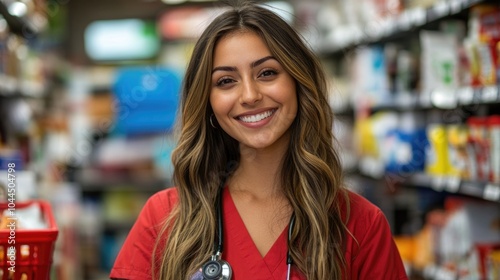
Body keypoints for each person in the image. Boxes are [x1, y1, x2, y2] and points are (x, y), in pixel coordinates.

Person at [110, 2, 408, 280]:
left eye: (267, 73)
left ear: (298, 83)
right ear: (208, 102)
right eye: (226, 81)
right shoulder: (163, 218)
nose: (250, 95)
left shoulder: (360, 225)